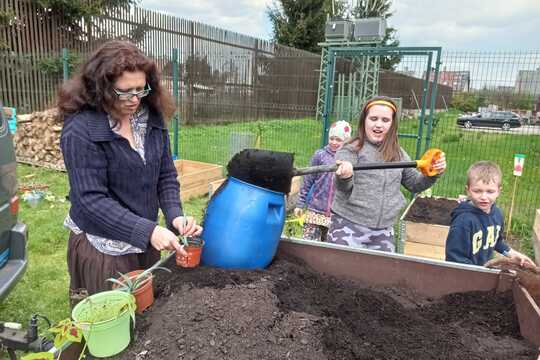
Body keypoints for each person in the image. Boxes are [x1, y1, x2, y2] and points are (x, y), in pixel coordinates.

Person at [58, 40, 202, 304]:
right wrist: (150, 231)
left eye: (141, 89)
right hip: (105, 250)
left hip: (144, 241)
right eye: (124, 91)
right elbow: (91, 201)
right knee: (113, 328)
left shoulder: (150, 118)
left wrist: (175, 216)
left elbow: (165, 175)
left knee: (146, 316)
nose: (135, 99)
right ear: (100, 88)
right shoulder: (81, 130)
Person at [329, 96, 446, 252]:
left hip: (383, 231)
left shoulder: (398, 154)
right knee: (341, 272)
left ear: (392, 125)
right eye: (373, 118)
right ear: (364, 121)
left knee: (381, 274)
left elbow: (414, 184)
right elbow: (342, 188)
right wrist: (345, 176)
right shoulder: (351, 149)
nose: (378, 124)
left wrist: (433, 173)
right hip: (349, 226)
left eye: (385, 120)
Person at [445, 161, 534, 266]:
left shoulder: (497, 214)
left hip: (483, 272)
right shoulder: (463, 222)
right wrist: (480, 275)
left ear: (498, 192)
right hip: (465, 276)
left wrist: (512, 253)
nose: (483, 197)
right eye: (477, 191)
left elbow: (495, 241)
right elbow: (455, 259)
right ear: (468, 190)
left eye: (490, 192)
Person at [294, 120, 352, 241]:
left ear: (346, 141)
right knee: (309, 243)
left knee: (330, 248)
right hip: (315, 210)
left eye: (339, 140)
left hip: (336, 214)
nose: (334, 142)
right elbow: (308, 180)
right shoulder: (320, 155)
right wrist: (300, 204)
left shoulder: (349, 160)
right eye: (332, 138)